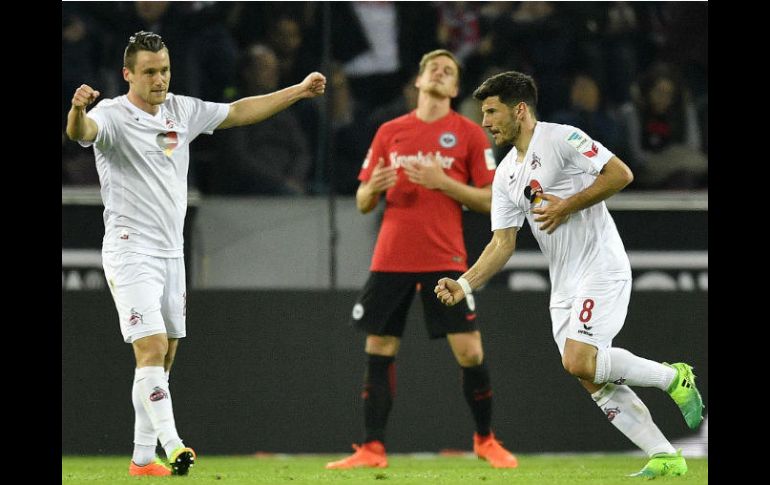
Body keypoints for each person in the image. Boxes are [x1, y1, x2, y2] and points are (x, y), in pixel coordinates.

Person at [65, 31, 326, 477]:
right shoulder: (111, 114)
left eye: (164, 70)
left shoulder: (182, 111)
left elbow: (239, 111)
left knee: (163, 356)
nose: (159, 79)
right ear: (128, 74)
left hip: (172, 252)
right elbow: (81, 133)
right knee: (150, 347)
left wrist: (298, 91)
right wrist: (76, 111)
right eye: (150, 72)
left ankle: (142, 460)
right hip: (130, 249)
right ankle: (173, 444)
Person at [434, 71, 704, 478]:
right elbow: (502, 243)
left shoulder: (562, 138)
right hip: (564, 283)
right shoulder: (506, 174)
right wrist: (464, 283)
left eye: (492, 112)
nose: (485, 122)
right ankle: (664, 454)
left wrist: (567, 204)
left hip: (602, 266)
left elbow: (621, 174)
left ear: (519, 110)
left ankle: (672, 378)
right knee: (587, 373)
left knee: (579, 359)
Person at [326, 49, 518, 470]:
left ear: (455, 87)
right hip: (391, 257)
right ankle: (372, 449)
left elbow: (490, 200)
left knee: (469, 351)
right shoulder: (390, 131)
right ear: (419, 79)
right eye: (433, 67)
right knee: (379, 346)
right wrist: (372, 188)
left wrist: (442, 182)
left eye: (449, 71)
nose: (440, 73)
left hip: (444, 256)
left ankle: (485, 439)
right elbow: (362, 201)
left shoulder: (470, 134)